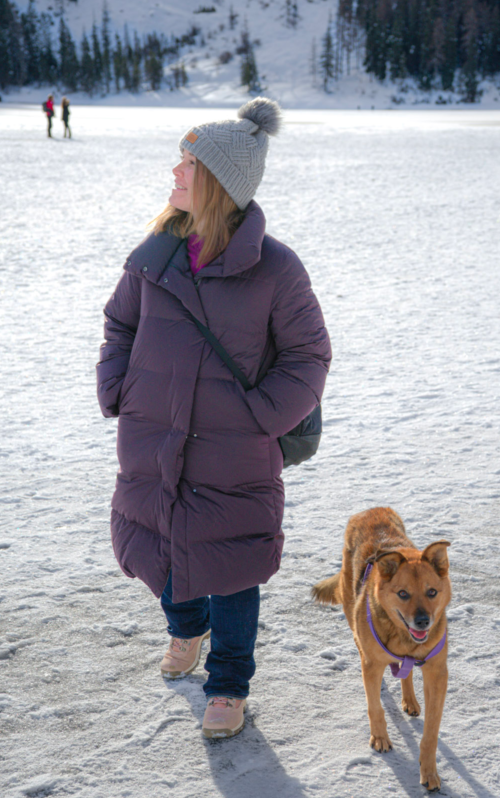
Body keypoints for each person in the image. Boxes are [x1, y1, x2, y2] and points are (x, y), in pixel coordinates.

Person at [96, 98, 331, 740]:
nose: (175, 170)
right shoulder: (156, 252)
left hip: (235, 450)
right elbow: (120, 323)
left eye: (189, 162)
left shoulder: (275, 268)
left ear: (219, 181)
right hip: (152, 437)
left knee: (232, 567)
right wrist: (119, 387)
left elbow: (310, 354)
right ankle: (184, 628)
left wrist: (262, 416)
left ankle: (229, 682)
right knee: (164, 545)